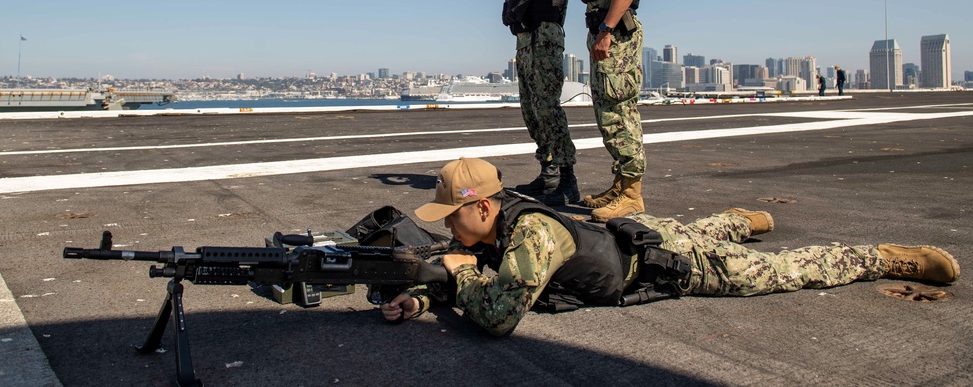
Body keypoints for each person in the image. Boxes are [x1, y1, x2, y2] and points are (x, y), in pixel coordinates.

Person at [381, 158, 961, 337]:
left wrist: (455, 279)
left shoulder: (529, 234)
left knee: (777, 271)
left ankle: (882, 257)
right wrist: (422, 297)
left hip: (672, 264)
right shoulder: (497, 230)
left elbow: (498, 314)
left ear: (484, 206)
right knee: (705, 229)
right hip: (644, 236)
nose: (446, 228)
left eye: (451, 215)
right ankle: (737, 219)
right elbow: (470, 266)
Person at [555, 0, 651, 222]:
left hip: (615, 31)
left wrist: (608, 29)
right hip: (602, 28)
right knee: (607, 110)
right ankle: (621, 183)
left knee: (618, 109)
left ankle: (631, 193)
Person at [488, 0, 579, 205]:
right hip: (526, 43)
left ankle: (568, 180)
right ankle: (548, 172)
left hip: (545, 42)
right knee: (531, 110)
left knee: (549, 109)